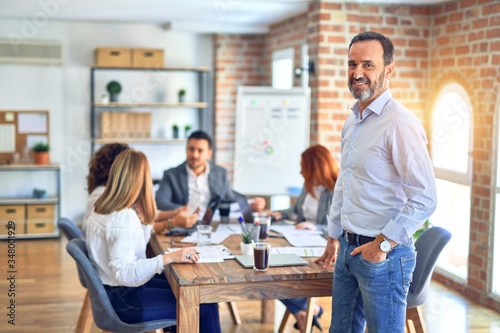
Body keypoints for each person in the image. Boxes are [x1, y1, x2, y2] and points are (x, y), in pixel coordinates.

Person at [314, 31, 437, 333]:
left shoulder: (400, 123)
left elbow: (425, 197)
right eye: (352, 64)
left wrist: (380, 245)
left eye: (368, 65)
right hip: (347, 248)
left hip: (383, 257)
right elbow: (346, 180)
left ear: (389, 70)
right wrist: (333, 237)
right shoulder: (353, 120)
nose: (357, 73)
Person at [85, 149, 221, 332]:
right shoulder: (124, 218)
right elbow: (125, 273)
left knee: (184, 289)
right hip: (125, 299)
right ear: (141, 180)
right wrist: (168, 258)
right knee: (204, 305)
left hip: (115, 291)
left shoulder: (103, 207)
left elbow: (132, 240)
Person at [271, 144, 339, 331]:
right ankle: (306, 311)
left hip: (322, 247)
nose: (300, 171)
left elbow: (340, 225)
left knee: (276, 275)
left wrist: (315, 226)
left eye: (303, 166)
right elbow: (295, 211)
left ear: (314, 166)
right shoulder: (308, 185)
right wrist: (278, 214)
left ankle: (305, 312)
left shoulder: (336, 190)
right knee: (272, 271)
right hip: (301, 241)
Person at [83, 143, 198, 237]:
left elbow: (141, 215)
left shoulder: (108, 193)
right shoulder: (104, 196)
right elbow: (136, 227)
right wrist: (172, 223)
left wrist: (174, 213)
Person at [155, 130, 265, 216]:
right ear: (186, 150)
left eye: (200, 150)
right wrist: (185, 209)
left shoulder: (220, 173)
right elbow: (160, 202)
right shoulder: (171, 175)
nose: (195, 155)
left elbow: (229, 198)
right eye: (191, 149)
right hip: (183, 223)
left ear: (209, 154)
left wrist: (251, 203)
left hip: (213, 225)